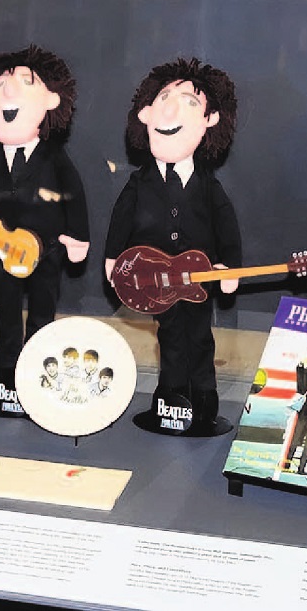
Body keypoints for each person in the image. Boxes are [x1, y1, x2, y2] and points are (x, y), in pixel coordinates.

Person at [104, 58, 242, 437]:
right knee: (169, 337)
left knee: (199, 337)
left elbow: (227, 226)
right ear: (146, 114)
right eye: (163, 98)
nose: (171, 108)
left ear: (210, 120)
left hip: (198, 283)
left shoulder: (208, 186)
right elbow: (121, 220)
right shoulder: (139, 182)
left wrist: (229, 265)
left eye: (189, 101)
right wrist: (114, 259)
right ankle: (171, 395)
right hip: (154, 284)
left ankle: (203, 400)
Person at [0, 46, 90, 417]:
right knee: (6, 317)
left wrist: (77, 236)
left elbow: (74, 194)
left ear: (50, 101)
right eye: (0, 86)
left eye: (23, 83)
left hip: (46, 252)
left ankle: (36, 378)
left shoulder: (54, 157)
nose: (9, 93)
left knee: (41, 316)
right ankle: (6, 378)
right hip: (0, 254)